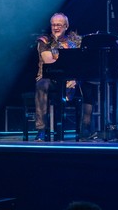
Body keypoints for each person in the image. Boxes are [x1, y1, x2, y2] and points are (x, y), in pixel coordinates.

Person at [34, 14, 83, 142]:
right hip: (50, 79)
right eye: (53, 25)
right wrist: (55, 42)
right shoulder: (44, 41)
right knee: (42, 84)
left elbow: (79, 64)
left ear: (66, 26)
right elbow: (49, 62)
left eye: (59, 25)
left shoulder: (74, 43)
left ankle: (84, 130)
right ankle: (41, 129)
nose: (55, 28)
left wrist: (74, 78)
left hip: (69, 80)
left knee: (86, 84)